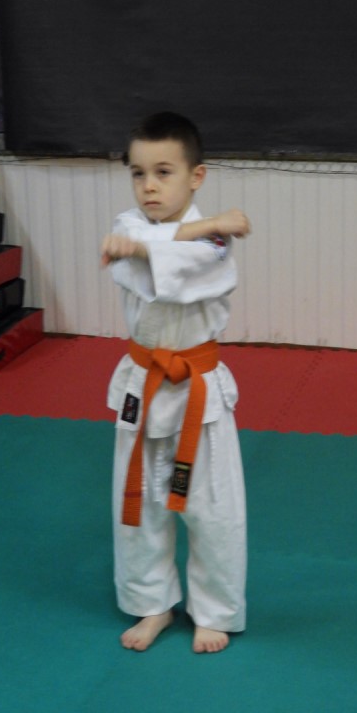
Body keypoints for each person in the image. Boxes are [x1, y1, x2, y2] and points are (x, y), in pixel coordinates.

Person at [101, 112, 250, 654]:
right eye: (138, 173)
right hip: (142, 385)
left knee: (213, 508)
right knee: (137, 505)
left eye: (164, 172)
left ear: (196, 176)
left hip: (197, 391)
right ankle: (152, 605)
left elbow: (178, 268)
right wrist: (194, 228)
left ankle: (214, 611)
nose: (149, 186)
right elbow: (135, 248)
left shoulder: (216, 242)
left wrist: (199, 231)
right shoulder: (131, 224)